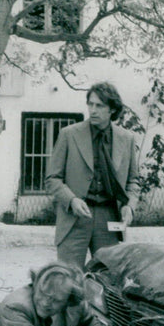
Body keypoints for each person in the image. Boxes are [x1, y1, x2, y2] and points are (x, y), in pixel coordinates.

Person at [45, 82, 141, 269]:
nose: (93, 110)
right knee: (68, 280)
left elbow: (133, 181)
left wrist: (130, 206)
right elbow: (52, 178)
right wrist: (71, 200)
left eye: (100, 106)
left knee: (107, 280)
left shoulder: (126, 139)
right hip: (75, 217)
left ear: (112, 109)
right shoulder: (69, 134)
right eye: (90, 104)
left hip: (109, 218)